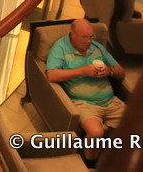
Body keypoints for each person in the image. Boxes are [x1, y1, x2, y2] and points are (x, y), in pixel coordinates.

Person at [46, 18, 127, 163]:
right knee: (96, 133)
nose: (89, 41)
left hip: (111, 102)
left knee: (138, 126)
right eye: (85, 37)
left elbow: (121, 72)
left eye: (91, 37)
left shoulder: (97, 47)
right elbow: (52, 75)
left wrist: (109, 71)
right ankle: (90, 163)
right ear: (73, 34)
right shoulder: (61, 48)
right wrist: (82, 71)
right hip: (85, 103)